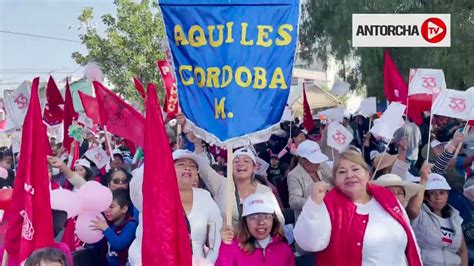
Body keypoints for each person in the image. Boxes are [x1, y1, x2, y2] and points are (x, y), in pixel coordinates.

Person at [294, 151, 422, 265]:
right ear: (335, 180)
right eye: (342, 172)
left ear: (368, 175)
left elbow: (411, 240)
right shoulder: (327, 207)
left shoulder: (387, 198)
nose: (349, 175)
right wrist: (314, 204)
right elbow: (309, 243)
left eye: (355, 169)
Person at [198, 147, 284, 226]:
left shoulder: (265, 191)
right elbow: (203, 168)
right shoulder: (221, 184)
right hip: (228, 240)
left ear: (254, 167)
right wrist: (197, 143)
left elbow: (279, 219)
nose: (241, 164)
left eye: (246, 161)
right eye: (236, 161)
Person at [216, 193, 295, 266]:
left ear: (273, 219)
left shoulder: (284, 249)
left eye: (266, 216)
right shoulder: (232, 247)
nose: (261, 222)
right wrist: (225, 246)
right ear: (245, 221)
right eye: (253, 217)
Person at [173, 149, 223, 263]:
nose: (187, 168)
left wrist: (207, 263)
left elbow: (215, 239)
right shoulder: (159, 197)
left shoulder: (204, 197)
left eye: (192, 166)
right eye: (181, 164)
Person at [410, 173, 468, 266]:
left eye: (442, 192)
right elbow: (412, 209)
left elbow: (462, 250)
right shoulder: (419, 214)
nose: (438, 198)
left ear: (447, 194)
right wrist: (423, 181)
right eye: (432, 193)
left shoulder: (455, 216)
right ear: (424, 196)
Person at [90, 189, 137, 266]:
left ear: (124, 209)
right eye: (105, 206)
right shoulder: (108, 223)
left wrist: (106, 229)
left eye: (111, 207)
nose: (106, 210)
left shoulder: (131, 225)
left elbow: (119, 245)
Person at [287, 140, 332, 220]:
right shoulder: (294, 175)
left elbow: (333, 178)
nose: (317, 163)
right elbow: (294, 201)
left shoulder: (321, 165)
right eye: (314, 161)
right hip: (310, 219)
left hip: (329, 214)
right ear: (302, 160)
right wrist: (316, 201)